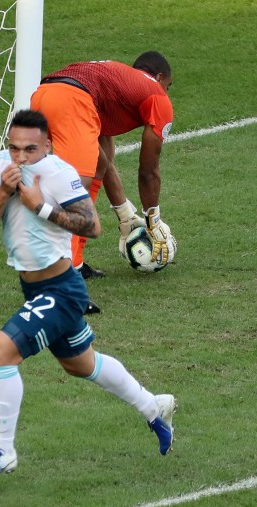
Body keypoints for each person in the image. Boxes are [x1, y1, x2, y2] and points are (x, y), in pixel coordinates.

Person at [0, 109, 175, 479]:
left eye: (30, 149)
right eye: (14, 148)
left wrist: (39, 205)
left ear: (47, 145)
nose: (20, 158)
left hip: (63, 290)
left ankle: (3, 450)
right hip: (32, 287)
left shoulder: (60, 174)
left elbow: (91, 226)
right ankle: (153, 407)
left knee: (0, 354)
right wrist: (3, 189)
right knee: (81, 364)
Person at [30, 51, 176, 313]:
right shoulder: (157, 96)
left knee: (94, 169)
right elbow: (148, 171)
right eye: (169, 86)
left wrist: (125, 216)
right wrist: (153, 219)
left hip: (43, 94)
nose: (167, 92)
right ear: (159, 77)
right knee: (74, 193)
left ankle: (74, 263)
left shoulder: (114, 84)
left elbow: (105, 165)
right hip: (71, 100)